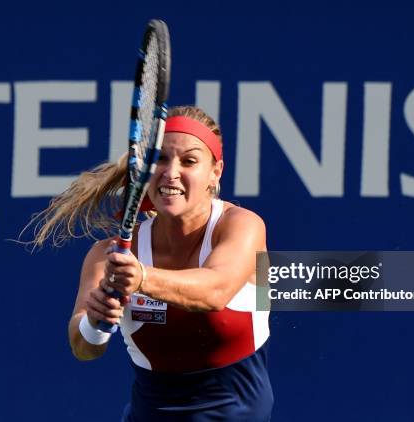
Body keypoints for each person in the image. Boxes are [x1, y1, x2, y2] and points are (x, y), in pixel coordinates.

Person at [31, 106, 273, 421]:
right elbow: (84, 348)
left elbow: (216, 291)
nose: (171, 172)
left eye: (189, 161)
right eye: (160, 159)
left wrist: (142, 277)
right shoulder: (107, 255)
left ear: (215, 172)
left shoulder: (242, 225)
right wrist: (96, 319)